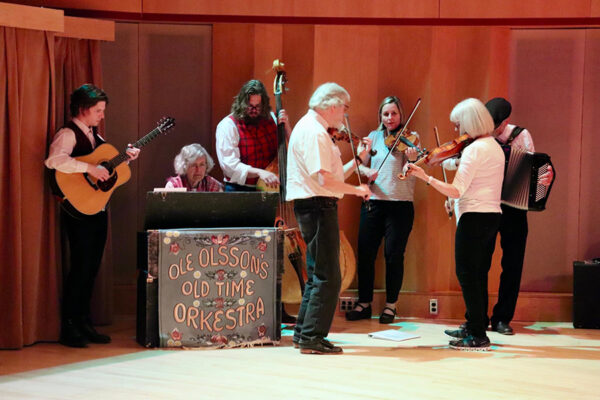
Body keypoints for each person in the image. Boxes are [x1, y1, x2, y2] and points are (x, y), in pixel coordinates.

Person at [442, 97, 554, 335]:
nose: (492, 130)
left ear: (506, 122)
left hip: (513, 207)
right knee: (478, 264)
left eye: (497, 126)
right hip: (486, 207)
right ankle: (476, 319)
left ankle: (502, 318)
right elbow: (457, 164)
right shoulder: (478, 136)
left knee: (512, 264)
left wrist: (546, 176)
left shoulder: (521, 136)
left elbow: (535, 169)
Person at [45, 84, 140, 348]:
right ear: (84, 109)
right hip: (76, 210)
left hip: (96, 209)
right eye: (98, 110)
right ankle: (70, 326)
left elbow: (105, 166)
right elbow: (54, 161)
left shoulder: (93, 135)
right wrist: (89, 167)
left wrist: (127, 159)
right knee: (80, 268)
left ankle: (84, 322)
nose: (102, 115)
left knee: (91, 268)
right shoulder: (68, 133)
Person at [405, 98, 504, 350]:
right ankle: (473, 325)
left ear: (470, 122)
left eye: (459, 124)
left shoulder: (474, 149)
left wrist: (425, 176)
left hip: (474, 218)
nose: (457, 131)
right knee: (478, 275)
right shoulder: (492, 145)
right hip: (491, 215)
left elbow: (458, 189)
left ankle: (478, 335)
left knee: (467, 275)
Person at [286, 82, 372, 354]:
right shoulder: (315, 133)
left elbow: (330, 177)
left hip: (314, 203)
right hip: (318, 205)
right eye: (345, 108)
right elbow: (324, 180)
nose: (345, 114)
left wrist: (357, 160)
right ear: (333, 105)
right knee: (328, 276)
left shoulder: (313, 128)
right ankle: (312, 338)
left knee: (317, 274)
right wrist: (357, 190)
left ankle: (303, 334)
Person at [345, 96, 420, 324]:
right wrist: (368, 173)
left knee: (393, 256)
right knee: (366, 254)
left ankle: (390, 306)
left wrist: (412, 158)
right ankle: (364, 303)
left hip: (400, 205)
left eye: (394, 113)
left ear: (401, 115)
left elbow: (414, 167)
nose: (390, 118)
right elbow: (360, 165)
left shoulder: (412, 138)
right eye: (386, 114)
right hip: (373, 202)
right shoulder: (373, 137)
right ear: (381, 116)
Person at [215, 79, 290, 192]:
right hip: (240, 190)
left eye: (258, 106)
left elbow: (295, 149)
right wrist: (259, 172)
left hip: (270, 189)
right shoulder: (228, 125)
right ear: (241, 104)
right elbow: (229, 167)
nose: (254, 110)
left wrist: (287, 127)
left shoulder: (273, 119)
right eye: (250, 106)